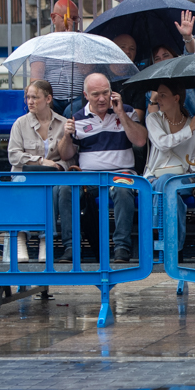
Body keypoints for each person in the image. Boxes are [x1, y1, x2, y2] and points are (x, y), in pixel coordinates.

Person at [55, 73, 149, 263]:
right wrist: (66, 136)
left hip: (121, 173)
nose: (101, 98)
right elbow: (65, 154)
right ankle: (71, 247)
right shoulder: (77, 118)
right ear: (86, 95)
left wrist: (121, 113)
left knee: (124, 191)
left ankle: (122, 247)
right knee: (65, 190)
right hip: (89, 177)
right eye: (96, 94)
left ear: (112, 92)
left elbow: (140, 140)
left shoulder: (127, 111)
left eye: (105, 93)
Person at [5, 79, 72, 260]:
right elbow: (14, 156)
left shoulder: (63, 123)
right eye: (28, 97)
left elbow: (70, 159)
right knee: (21, 183)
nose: (30, 101)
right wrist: (41, 161)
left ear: (48, 98)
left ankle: (45, 241)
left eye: (35, 97)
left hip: (52, 178)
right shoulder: (20, 123)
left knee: (49, 188)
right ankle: (20, 238)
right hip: (25, 176)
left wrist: (59, 162)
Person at [145, 80, 195, 257]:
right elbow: (163, 143)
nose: (158, 99)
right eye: (158, 95)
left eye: (163, 95)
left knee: (167, 183)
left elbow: (194, 169)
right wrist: (190, 129)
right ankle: (174, 248)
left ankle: (158, 234)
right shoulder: (153, 119)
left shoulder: (193, 124)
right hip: (155, 177)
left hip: (183, 179)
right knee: (171, 195)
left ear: (176, 98)